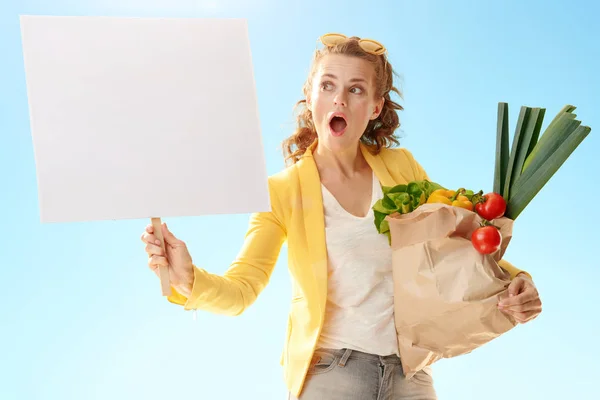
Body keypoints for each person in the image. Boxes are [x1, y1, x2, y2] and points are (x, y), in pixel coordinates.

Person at [141, 33, 543, 399]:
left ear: (374, 106)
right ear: (310, 95)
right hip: (332, 372)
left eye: (356, 90)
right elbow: (242, 289)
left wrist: (514, 281)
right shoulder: (281, 192)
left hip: (410, 373)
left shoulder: (401, 168)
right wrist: (188, 279)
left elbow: (454, 242)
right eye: (328, 86)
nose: (339, 100)